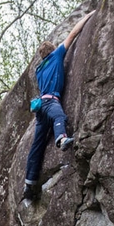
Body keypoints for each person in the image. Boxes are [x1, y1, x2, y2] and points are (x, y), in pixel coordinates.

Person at [23, 10, 96, 201]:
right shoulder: (56, 56)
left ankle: (29, 183)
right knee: (59, 117)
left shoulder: (39, 70)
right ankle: (61, 138)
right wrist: (88, 16)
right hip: (50, 102)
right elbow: (72, 34)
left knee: (37, 145)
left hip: (40, 110)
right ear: (52, 50)